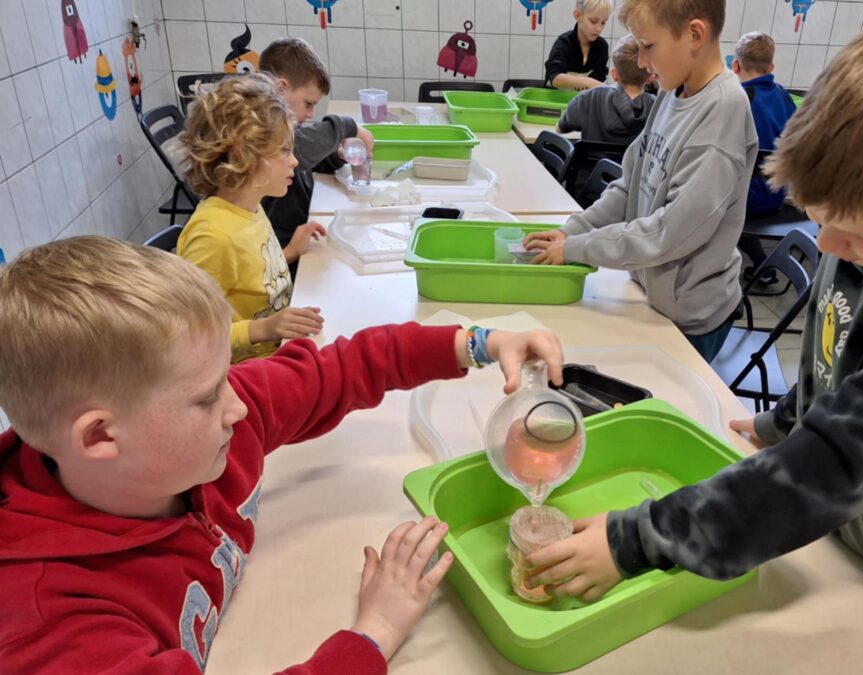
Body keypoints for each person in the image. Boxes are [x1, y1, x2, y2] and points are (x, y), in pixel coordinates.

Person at [523, 9, 863, 638]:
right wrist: (781, 421)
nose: (830, 246)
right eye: (817, 218)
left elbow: (831, 465)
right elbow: (838, 352)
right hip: (838, 528)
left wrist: (637, 540)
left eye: (856, 232)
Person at [0, 235, 567, 672]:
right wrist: (375, 633)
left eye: (227, 375)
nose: (240, 407)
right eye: (206, 396)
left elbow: (342, 368)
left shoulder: (206, 429)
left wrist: (478, 343)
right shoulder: (50, 620)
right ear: (100, 437)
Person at [527, 0, 757, 363]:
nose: (642, 62)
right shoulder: (670, 91)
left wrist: (576, 248)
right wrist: (573, 230)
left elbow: (669, 233)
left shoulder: (723, 112)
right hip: (648, 291)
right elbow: (628, 185)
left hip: (688, 315)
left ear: (695, 34)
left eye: (649, 47)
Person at [178, 73, 323, 363]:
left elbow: (247, 275)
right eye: (284, 151)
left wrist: (289, 253)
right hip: (244, 375)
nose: (294, 161)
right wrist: (263, 329)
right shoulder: (212, 238)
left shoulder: (251, 207)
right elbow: (190, 339)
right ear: (246, 156)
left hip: (278, 348)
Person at [259, 37, 374, 265]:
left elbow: (304, 160)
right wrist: (348, 126)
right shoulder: (263, 132)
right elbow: (298, 149)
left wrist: (335, 157)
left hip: (300, 234)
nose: (311, 114)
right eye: (308, 103)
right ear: (280, 89)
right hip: (282, 250)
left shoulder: (283, 128)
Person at [731, 31, 798, 285]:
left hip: (744, 202)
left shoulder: (737, 100)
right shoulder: (783, 95)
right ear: (771, 67)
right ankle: (762, 265)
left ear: (735, 65)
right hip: (777, 195)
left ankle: (754, 264)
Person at [556, 34, 656, 144]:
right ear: (651, 77)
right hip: (629, 162)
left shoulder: (590, 98)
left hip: (591, 161)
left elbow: (560, 128)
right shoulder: (656, 107)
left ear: (614, 74)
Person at [545, 0, 614, 91]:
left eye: (603, 23)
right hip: (555, 102)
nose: (599, 29)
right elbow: (554, 78)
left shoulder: (602, 47)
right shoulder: (564, 43)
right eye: (593, 21)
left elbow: (599, 77)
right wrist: (589, 82)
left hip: (583, 103)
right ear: (578, 15)